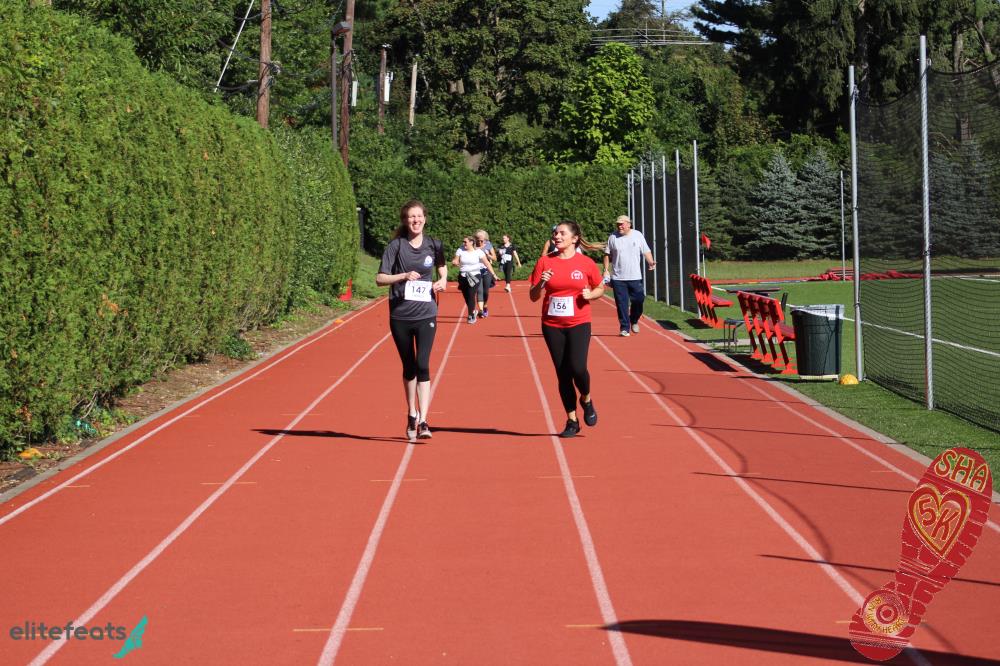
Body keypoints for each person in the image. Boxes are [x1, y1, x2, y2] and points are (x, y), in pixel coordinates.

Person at [376, 200, 448, 441]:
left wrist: (442, 281)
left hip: (426, 313)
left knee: (423, 364)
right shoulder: (395, 246)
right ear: (405, 220)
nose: (416, 220)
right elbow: (380, 278)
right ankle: (411, 413)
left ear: (425, 218)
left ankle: (424, 420)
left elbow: (442, 268)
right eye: (411, 217)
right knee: (409, 367)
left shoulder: (434, 244)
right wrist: (403, 276)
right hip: (400, 315)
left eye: (419, 216)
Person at [529, 222, 605, 438]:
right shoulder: (545, 261)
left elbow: (599, 287)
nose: (557, 236)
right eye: (555, 233)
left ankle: (586, 399)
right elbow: (533, 296)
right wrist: (541, 284)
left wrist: (591, 295)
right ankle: (572, 420)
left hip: (579, 323)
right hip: (552, 325)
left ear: (574, 238)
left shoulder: (586, 263)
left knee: (578, 368)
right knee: (563, 374)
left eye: (562, 233)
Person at [603, 215, 655, 337]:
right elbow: (607, 255)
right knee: (622, 304)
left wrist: (651, 262)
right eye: (618, 224)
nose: (619, 226)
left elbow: (646, 250)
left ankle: (634, 319)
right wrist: (605, 270)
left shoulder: (637, 235)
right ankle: (624, 328)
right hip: (618, 278)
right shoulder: (613, 237)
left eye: (622, 224)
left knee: (639, 299)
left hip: (635, 276)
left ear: (629, 224)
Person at [453, 236, 498, 323]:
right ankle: (473, 310)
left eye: (465, 242)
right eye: (463, 242)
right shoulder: (460, 250)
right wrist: (455, 262)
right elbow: (456, 260)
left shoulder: (478, 252)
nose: (463, 243)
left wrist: (493, 274)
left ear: (471, 242)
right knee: (466, 296)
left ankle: (471, 316)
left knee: (471, 295)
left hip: (475, 275)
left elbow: (487, 263)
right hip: (463, 276)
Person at [473, 229, 497, 317]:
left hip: (487, 270)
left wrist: (488, 255)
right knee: (479, 291)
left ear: (485, 239)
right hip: (476, 271)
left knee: (485, 291)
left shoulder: (488, 245)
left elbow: (495, 258)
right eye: (478, 240)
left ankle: (485, 305)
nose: (480, 242)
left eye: (482, 240)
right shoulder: (472, 246)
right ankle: (481, 310)